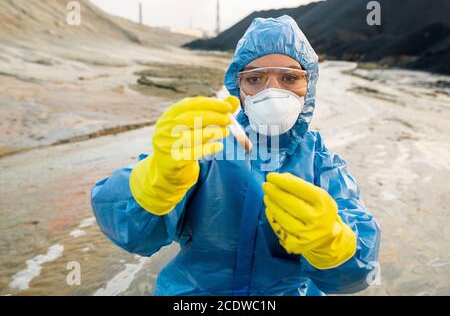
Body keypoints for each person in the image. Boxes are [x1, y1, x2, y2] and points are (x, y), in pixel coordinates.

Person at [91, 15, 380, 296]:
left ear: (309, 86)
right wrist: (155, 182)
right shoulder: (205, 146)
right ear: (237, 87)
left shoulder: (322, 164)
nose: (272, 91)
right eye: (254, 78)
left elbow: (354, 277)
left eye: (290, 77)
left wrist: (332, 243)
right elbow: (132, 232)